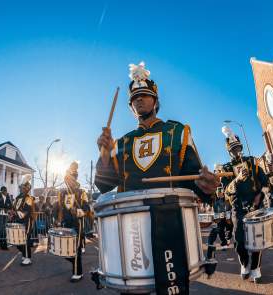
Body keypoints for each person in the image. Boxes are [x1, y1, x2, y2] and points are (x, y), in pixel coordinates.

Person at [94, 62, 219, 294]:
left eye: (144, 95)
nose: (139, 100)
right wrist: (103, 154)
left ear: (156, 101)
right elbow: (103, 185)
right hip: (133, 232)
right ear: (131, 107)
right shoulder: (121, 143)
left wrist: (208, 186)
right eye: (134, 98)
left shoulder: (178, 133)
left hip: (170, 224)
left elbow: (196, 181)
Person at [221, 126, 268, 283]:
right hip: (238, 208)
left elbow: (265, 183)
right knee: (240, 240)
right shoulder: (226, 169)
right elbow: (226, 192)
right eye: (233, 150)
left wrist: (260, 195)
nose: (237, 152)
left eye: (238, 148)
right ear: (229, 152)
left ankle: (255, 267)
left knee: (257, 239)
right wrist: (237, 179)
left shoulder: (253, 162)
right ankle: (244, 263)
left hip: (256, 206)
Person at [53, 162, 90, 282]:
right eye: (66, 179)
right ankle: (75, 263)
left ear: (74, 179)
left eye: (70, 179)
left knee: (76, 249)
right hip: (65, 224)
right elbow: (59, 209)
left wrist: (78, 212)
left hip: (77, 224)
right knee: (63, 250)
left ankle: (78, 273)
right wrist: (57, 220)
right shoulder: (62, 193)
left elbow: (87, 209)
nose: (68, 181)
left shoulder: (81, 192)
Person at [13, 175, 35, 266]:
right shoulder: (18, 197)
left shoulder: (29, 198)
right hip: (18, 220)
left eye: (24, 187)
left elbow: (27, 210)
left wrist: (20, 213)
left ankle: (28, 258)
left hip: (27, 221)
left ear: (27, 188)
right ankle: (24, 253)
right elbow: (14, 208)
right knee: (18, 241)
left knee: (25, 239)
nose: (22, 188)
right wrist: (12, 212)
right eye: (21, 187)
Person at [206, 185, 231, 260]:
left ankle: (227, 240)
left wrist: (228, 217)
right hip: (218, 218)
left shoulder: (226, 199)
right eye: (218, 192)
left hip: (226, 217)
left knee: (227, 229)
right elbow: (213, 207)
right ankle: (224, 243)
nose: (219, 194)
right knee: (220, 231)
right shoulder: (214, 199)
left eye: (221, 192)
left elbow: (228, 207)